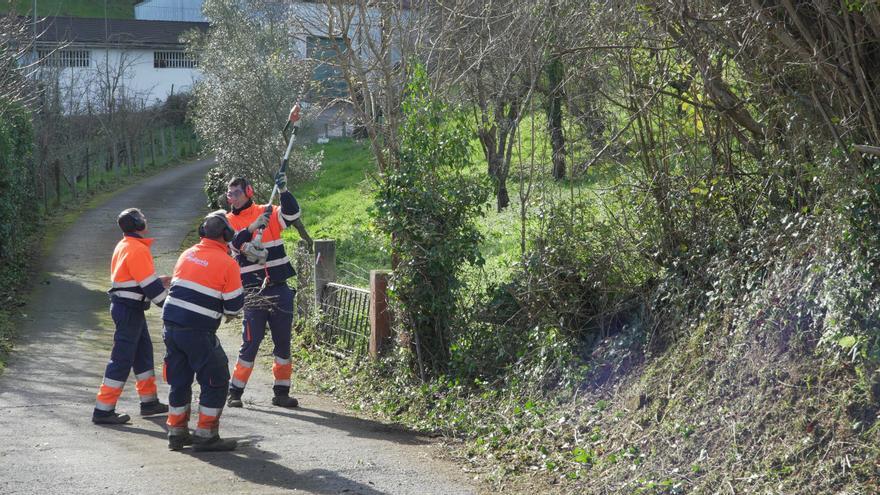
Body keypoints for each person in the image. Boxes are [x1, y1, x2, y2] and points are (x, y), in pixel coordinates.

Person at [224, 169, 312, 409]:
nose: (232, 198)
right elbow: (232, 244)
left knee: (283, 343)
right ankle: (235, 392)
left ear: (248, 192)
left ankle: (281, 392)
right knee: (250, 344)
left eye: (237, 193)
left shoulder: (269, 212)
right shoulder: (228, 221)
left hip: (279, 289)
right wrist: (252, 227)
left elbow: (293, 214)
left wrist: (283, 191)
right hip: (252, 292)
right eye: (229, 194)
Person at [161, 210, 244, 452]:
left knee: (179, 380)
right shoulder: (228, 263)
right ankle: (206, 435)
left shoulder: (187, 254)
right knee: (216, 379)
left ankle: (176, 433)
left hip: (171, 326)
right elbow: (233, 306)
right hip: (197, 330)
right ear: (227, 235)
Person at [93, 208, 170, 425]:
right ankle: (103, 409)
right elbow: (149, 287)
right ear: (136, 223)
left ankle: (149, 403)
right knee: (121, 359)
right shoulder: (137, 248)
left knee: (143, 354)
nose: (146, 220)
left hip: (129, 309)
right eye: (142, 218)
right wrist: (171, 306)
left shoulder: (126, 244)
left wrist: (158, 280)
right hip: (128, 310)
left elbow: (137, 279)